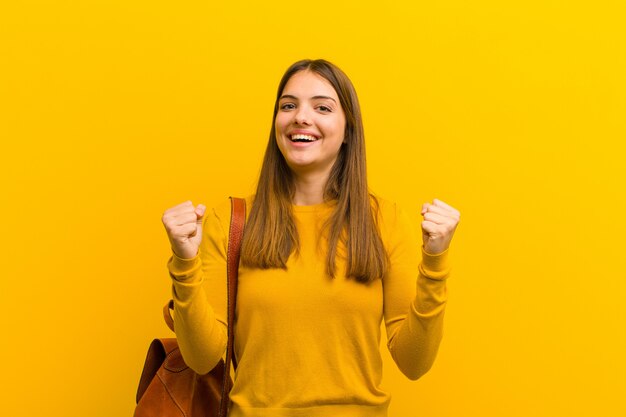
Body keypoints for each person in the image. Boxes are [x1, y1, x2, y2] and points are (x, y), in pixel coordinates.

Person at [161, 59, 461, 417]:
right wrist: (184, 262)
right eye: (288, 105)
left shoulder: (386, 221)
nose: (301, 117)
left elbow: (414, 362)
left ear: (348, 129)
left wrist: (435, 262)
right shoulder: (229, 222)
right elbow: (202, 358)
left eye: (322, 107)